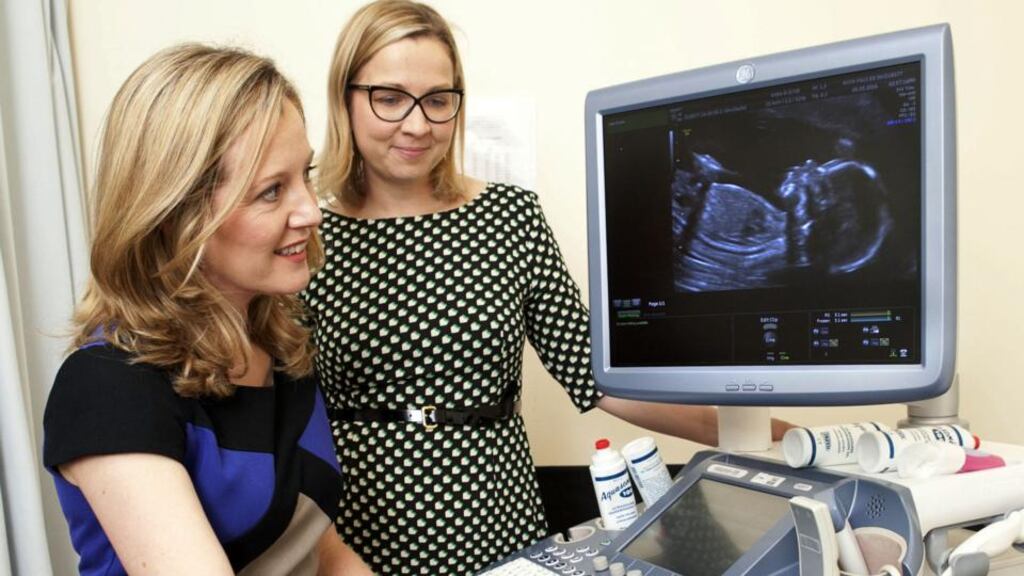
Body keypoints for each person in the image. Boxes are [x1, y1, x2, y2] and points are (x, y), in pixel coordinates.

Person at [303, 1, 792, 573]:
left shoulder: (508, 216)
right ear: (346, 97)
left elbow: (600, 377)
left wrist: (773, 436)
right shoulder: (306, 236)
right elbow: (279, 422)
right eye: (389, 97)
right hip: (355, 540)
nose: (418, 124)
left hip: (497, 523)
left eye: (438, 100)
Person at [42, 44, 373, 575]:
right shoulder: (107, 387)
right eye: (271, 191)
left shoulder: (281, 350)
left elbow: (327, 555)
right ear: (175, 214)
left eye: (304, 176)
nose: (311, 210)